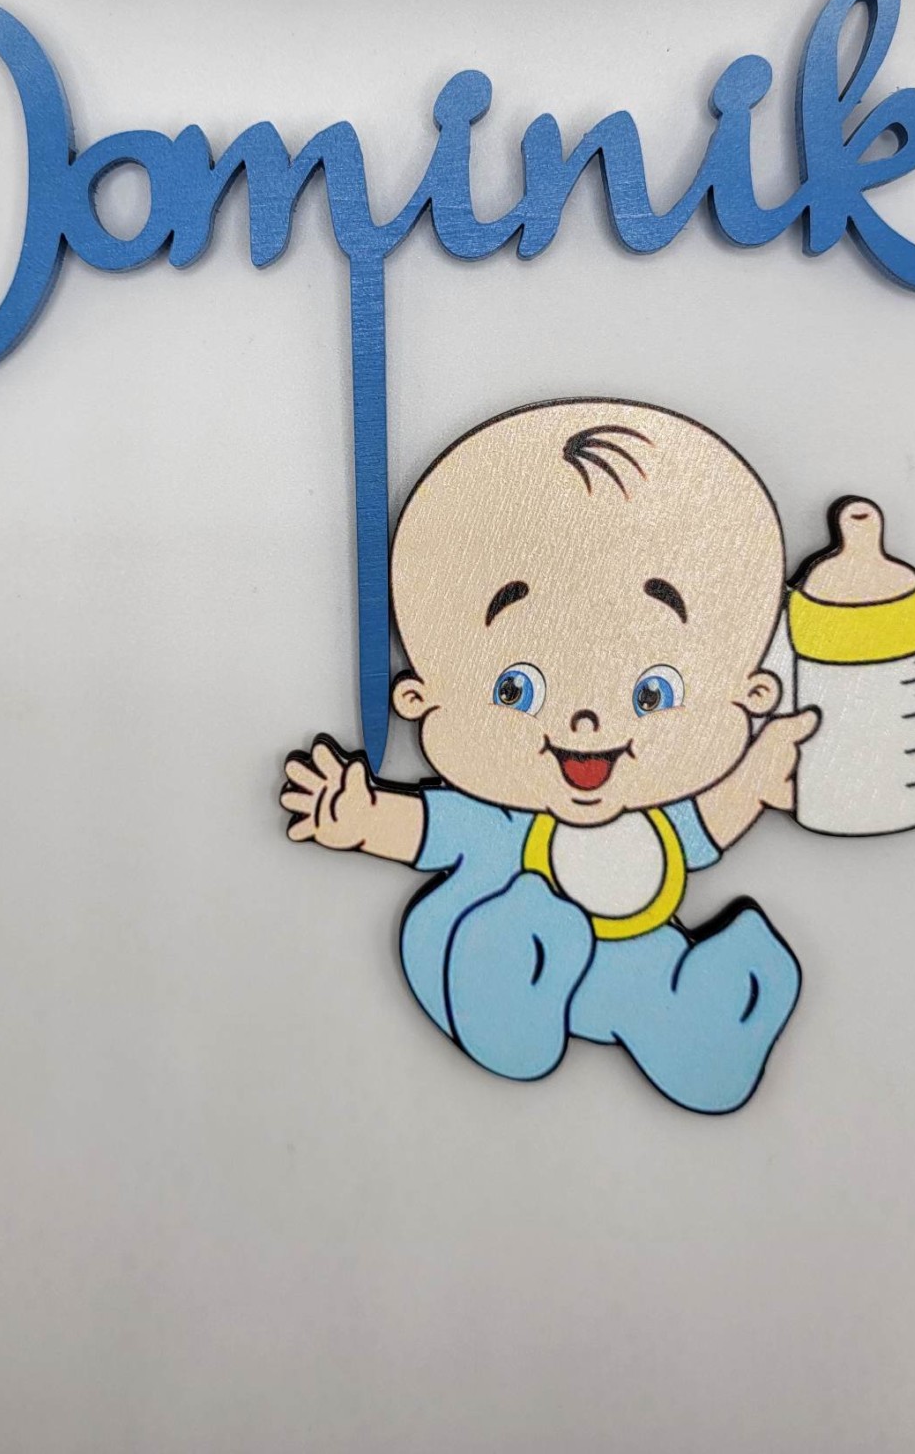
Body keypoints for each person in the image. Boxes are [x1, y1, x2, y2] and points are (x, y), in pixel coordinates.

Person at [281, 400, 819, 1113]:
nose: (587, 720)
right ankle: (505, 1007)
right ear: (421, 696)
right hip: (476, 947)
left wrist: (755, 776)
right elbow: (420, 828)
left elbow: (704, 828)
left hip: (626, 972)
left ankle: (711, 1020)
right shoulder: (496, 823)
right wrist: (360, 817)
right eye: (516, 688)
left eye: (652, 691)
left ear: (748, 694)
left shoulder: (657, 826)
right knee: (531, 922)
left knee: (685, 997)